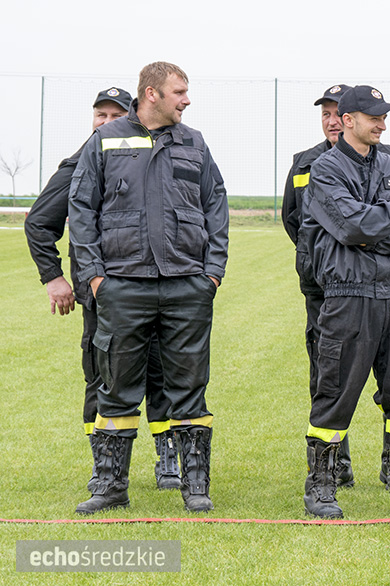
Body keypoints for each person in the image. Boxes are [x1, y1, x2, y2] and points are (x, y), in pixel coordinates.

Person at [68, 62, 229, 514]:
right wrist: (96, 277)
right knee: (115, 387)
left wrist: (211, 271)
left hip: (186, 287)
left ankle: (195, 487)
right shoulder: (106, 139)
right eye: (179, 91)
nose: (187, 99)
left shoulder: (194, 142)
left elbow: (216, 204)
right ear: (152, 93)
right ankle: (109, 486)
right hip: (122, 285)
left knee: (189, 387)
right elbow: (81, 210)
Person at [24, 87, 181, 493]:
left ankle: (168, 462)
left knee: (161, 373)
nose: (107, 121)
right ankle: (104, 465)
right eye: (100, 115)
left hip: (157, 288)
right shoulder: (78, 164)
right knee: (102, 378)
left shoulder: (158, 159)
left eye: (116, 114)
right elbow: (40, 222)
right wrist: (54, 277)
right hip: (102, 295)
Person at [299, 85, 390, 518]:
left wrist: (373, 228)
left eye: (385, 115)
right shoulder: (325, 170)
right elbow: (353, 225)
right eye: (374, 116)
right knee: (335, 392)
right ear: (348, 119)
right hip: (346, 296)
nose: (382, 122)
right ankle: (321, 487)